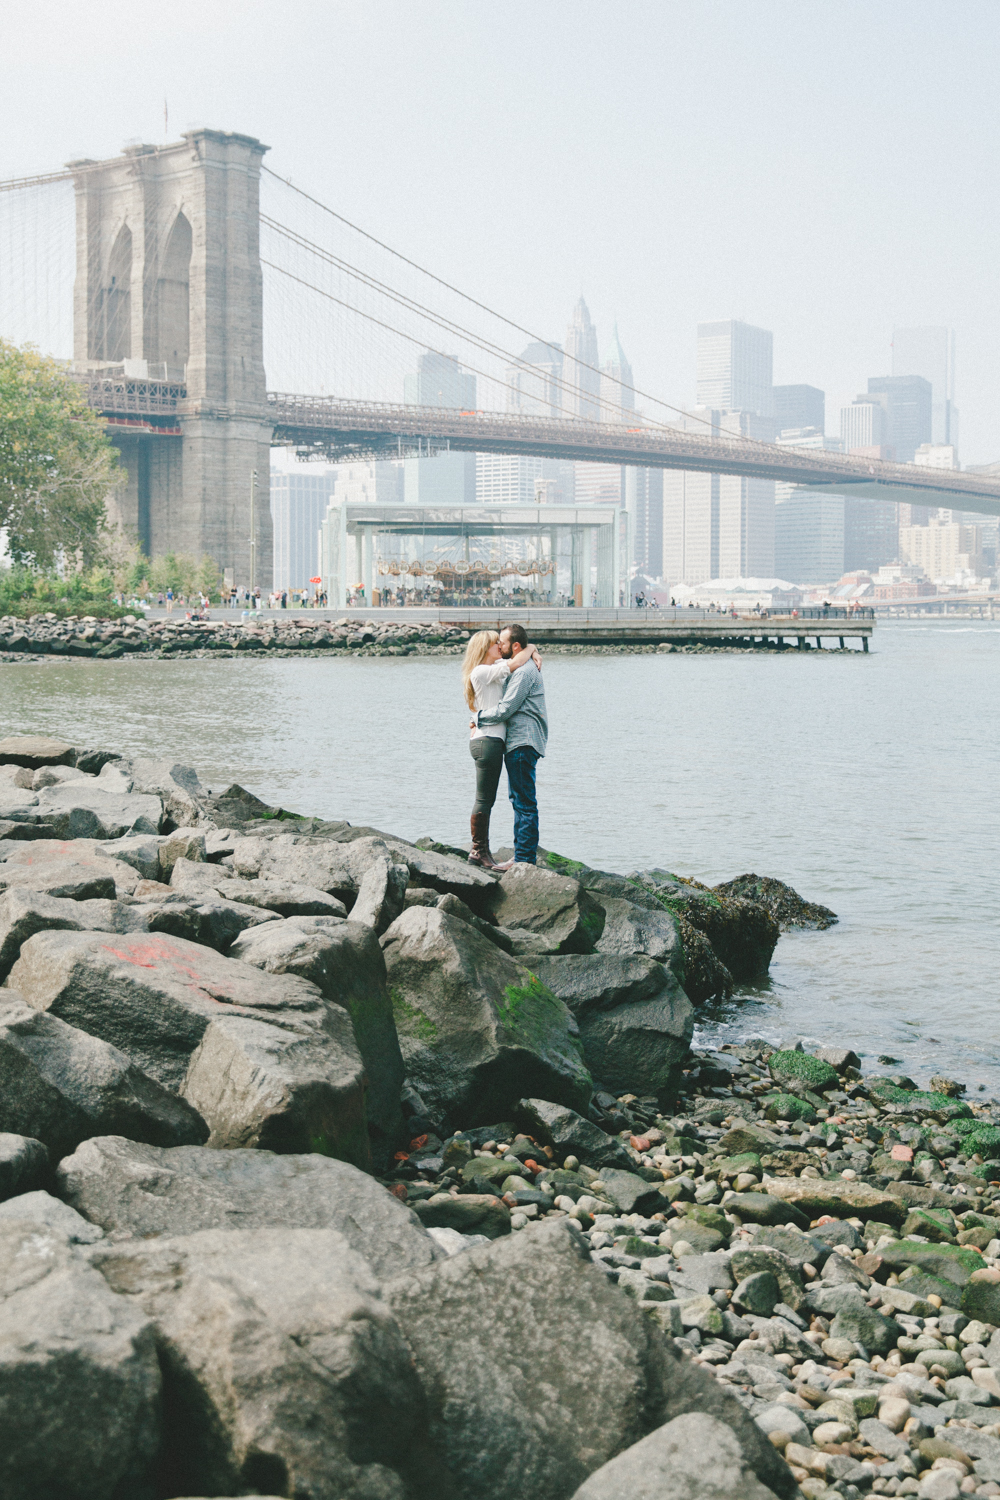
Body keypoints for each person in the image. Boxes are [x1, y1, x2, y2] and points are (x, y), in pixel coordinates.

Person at [462, 628, 541, 869]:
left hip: (492, 740)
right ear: (485, 648)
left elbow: (514, 661)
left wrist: (532, 649)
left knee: (491, 798)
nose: (500, 646)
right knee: (485, 799)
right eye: (496, 644)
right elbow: (515, 661)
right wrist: (531, 649)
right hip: (487, 741)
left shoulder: (495, 671)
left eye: (502, 642)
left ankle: (483, 851)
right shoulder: (483, 671)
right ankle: (479, 851)